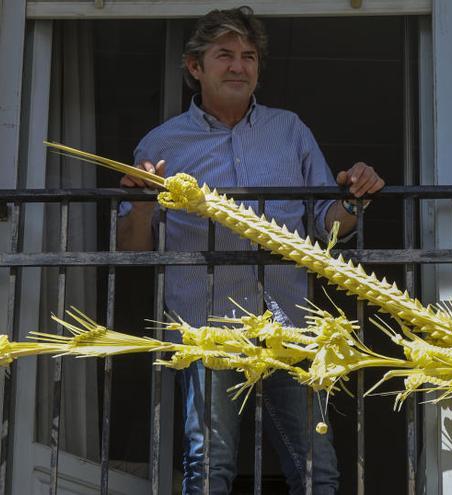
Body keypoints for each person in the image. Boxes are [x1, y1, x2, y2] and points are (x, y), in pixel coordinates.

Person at [117, 6, 384, 494]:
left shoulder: (290, 130)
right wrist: (137, 203)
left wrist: (353, 198)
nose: (239, 66)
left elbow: (328, 226)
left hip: (287, 320)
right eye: (225, 55)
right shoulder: (162, 143)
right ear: (195, 67)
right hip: (206, 328)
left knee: (316, 468)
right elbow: (134, 251)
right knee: (209, 466)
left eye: (249, 56)